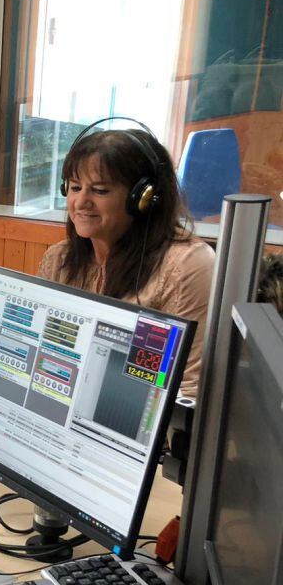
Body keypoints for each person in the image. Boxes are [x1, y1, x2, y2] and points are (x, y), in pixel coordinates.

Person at [38, 127, 216, 395]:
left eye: (99, 190)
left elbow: (188, 391)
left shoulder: (187, 266)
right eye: (75, 188)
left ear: (142, 198)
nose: (81, 202)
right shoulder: (58, 259)